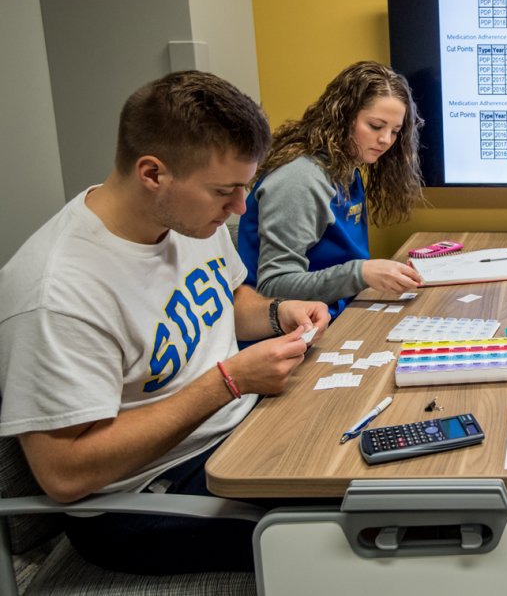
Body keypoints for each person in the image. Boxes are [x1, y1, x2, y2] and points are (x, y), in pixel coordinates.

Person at [0, 71, 331, 575]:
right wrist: (229, 382)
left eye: (245, 186)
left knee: (371, 462)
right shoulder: (56, 292)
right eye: (226, 190)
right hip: (142, 505)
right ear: (153, 173)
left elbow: (227, 297)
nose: (240, 207)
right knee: (351, 526)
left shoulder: (192, 216)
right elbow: (64, 475)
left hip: (232, 434)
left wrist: (274, 313)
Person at [237, 61, 425, 319]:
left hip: (335, 312)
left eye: (395, 131)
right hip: (288, 332)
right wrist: (360, 273)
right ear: (343, 117)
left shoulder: (347, 166)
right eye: (375, 126)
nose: (386, 141)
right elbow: (274, 286)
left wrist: (363, 275)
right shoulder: (300, 179)